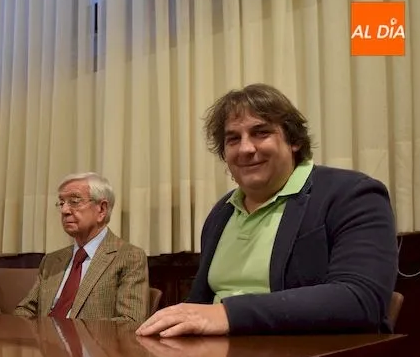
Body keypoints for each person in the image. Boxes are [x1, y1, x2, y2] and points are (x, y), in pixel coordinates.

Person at [137, 83, 398, 337]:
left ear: (293, 141)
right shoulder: (222, 212)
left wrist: (228, 314)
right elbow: (199, 304)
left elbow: (360, 299)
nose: (246, 148)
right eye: (233, 139)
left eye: (261, 133)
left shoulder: (352, 194)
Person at [14, 172, 149, 322]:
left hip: (90, 344)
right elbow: (26, 309)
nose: (65, 210)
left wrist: (68, 333)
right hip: (44, 342)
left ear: (102, 209)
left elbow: (129, 321)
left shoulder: (128, 257)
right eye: (62, 203)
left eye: (74, 201)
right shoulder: (52, 261)